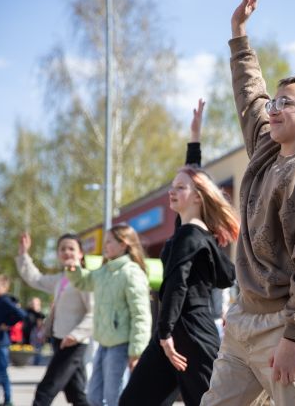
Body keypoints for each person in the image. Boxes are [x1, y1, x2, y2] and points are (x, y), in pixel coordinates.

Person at [200, 0, 295, 404]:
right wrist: (238, 32)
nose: (274, 109)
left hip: (284, 329)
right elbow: (250, 97)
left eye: (287, 104)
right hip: (243, 320)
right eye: (276, 101)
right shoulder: (269, 152)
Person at [120, 99, 240, 406]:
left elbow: (176, 286)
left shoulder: (190, 234)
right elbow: (194, 176)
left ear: (198, 197)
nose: (172, 191)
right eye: (172, 186)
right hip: (178, 333)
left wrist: (164, 333)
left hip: (185, 334)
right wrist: (194, 140)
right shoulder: (192, 231)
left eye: (180, 188)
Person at [66, 224, 152, 406]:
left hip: (121, 347)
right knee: (94, 397)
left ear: (124, 244)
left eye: (109, 242)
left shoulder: (132, 273)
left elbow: (141, 315)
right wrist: (73, 270)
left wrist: (136, 351)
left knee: (115, 398)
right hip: (103, 344)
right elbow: (84, 282)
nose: (105, 246)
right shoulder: (104, 271)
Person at [15, 233, 93, 406]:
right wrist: (23, 254)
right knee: (76, 393)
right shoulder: (61, 278)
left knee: (45, 390)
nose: (66, 252)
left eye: (71, 248)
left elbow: (94, 313)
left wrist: (76, 335)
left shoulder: (86, 279)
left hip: (73, 343)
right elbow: (36, 279)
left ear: (81, 253)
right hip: (59, 339)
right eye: (62, 248)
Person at [0, 274, 27, 406]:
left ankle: (7, 400)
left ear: (5, 287)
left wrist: (7, 323)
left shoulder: (5, 300)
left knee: (1, 373)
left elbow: (22, 314)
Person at [22, 297, 46, 365]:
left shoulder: (40, 314)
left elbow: (42, 326)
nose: (34, 305)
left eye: (36, 304)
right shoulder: (26, 311)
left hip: (36, 338)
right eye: (32, 303)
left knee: (36, 353)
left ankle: (35, 364)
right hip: (26, 335)